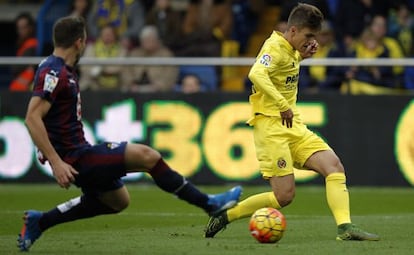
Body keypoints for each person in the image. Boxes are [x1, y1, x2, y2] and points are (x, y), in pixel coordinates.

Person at [17, 16, 242, 252]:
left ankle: (40, 221)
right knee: (147, 156)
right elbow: (32, 118)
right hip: (73, 156)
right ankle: (210, 204)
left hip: (76, 151)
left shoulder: (60, 69)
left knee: (117, 200)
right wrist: (56, 162)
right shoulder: (54, 71)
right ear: (79, 42)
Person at [204, 3, 380, 241]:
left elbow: (283, 70)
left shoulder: (290, 49)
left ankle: (345, 228)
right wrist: (282, 105)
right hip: (270, 126)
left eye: (314, 36)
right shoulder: (273, 46)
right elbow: (256, 73)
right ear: (294, 30)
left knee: (334, 167)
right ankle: (226, 215)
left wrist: (302, 55)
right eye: (308, 36)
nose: (311, 40)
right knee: (284, 197)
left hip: (293, 125)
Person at [122, 25, 178, 92]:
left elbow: (170, 75)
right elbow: (126, 71)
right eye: (145, 41)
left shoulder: (166, 55)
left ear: (156, 40)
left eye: (150, 40)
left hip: (158, 91)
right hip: (135, 88)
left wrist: (159, 86)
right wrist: (131, 84)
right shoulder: (134, 53)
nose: (147, 43)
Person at [79, 24, 127, 91]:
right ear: (100, 35)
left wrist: (101, 69)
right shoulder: (91, 48)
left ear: (115, 35)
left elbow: (119, 67)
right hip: (94, 84)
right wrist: (94, 72)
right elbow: (84, 68)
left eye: (110, 34)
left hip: (117, 84)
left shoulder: (121, 49)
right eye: (105, 34)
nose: (107, 36)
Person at [9, 12, 38, 91]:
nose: (20, 31)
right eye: (19, 28)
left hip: (25, 90)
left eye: (24, 27)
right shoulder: (23, 45)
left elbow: (16, 68)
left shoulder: (32, 44)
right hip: (18, 89)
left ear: (31, 28)